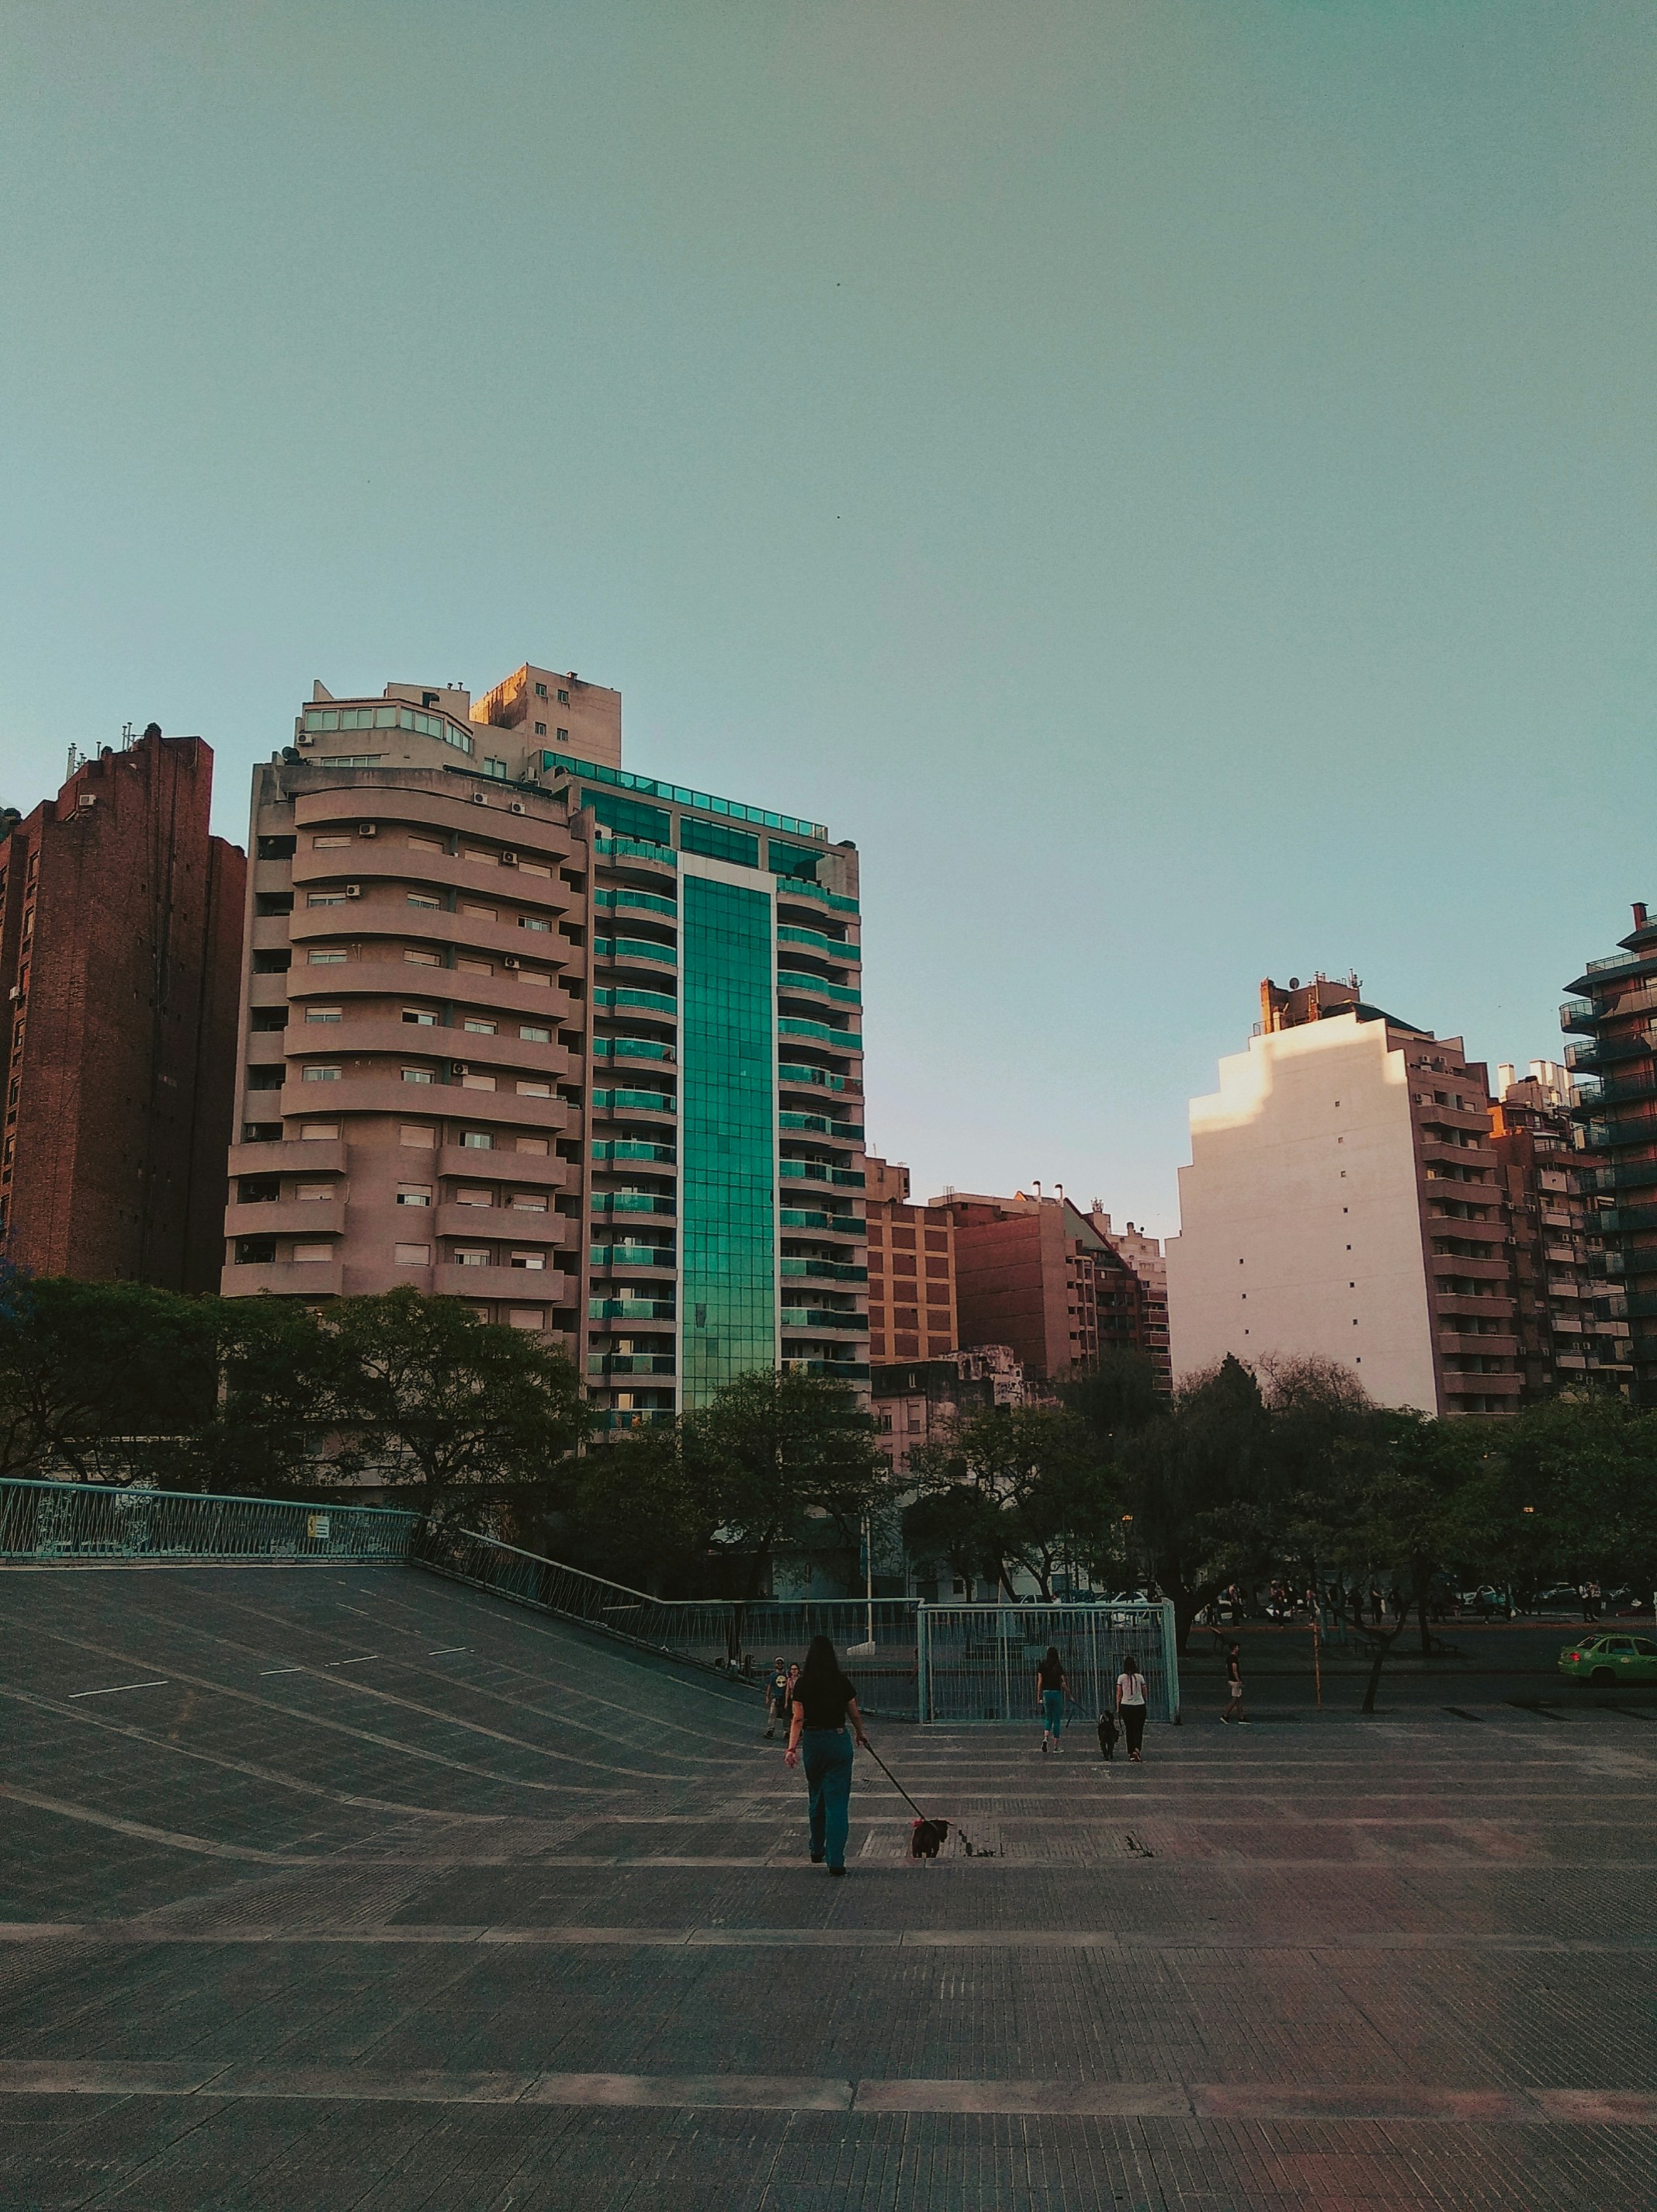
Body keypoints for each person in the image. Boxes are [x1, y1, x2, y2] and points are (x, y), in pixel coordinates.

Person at [784, 1633, 869, 1875]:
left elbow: (798, 1718)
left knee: (816, 1795)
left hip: (813, 1741)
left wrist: (791, 1748)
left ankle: (816, 1848)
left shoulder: (802, 1683)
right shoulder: (841, 1681)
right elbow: (854, 1713)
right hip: (838, 1740)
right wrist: (860, 1734)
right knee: (838, 1803)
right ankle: (836, 1860)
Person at [1116, 1652, 1149, 1762]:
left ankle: (1131, 1752)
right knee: (1138, 1729)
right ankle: (1137, 1749)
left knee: (1129, 1729)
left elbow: (1119, 1694)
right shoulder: (1140, 1677)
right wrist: (1144, 1699)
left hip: (1126, 1706)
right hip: (1139, 1705)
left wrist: (1118, 1707)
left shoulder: (1121, 1678)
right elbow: (1145, 1691)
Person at [1035, 1645, 1068, 1755]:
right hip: (1057, 1694)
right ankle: (1056, 1746)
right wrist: (1070, 1695)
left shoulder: (1042, 1666)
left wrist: (1039, 1696)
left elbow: (1040, 1682)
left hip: (1046, 1694)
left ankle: (1045, 1738)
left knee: (1048, 1718)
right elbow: (1063, 1684)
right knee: (1057, 1720)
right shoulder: (1058, 1667)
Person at [762, 1656, 791, 1739]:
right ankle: (770, 1730)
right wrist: (768, 1697)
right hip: (776, 1697)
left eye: (781, 1663)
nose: (780, 1665)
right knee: (772, 1714)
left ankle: (787, 1732)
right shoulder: (773, 1675)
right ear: (775, 1664)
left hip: (785, 1698)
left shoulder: (787, 1674)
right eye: (778, 1663)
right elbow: (770, 1686)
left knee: (786, 1716)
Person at [1222, 1642, 1247, 1725]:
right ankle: (1226, 1715)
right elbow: (1234, 1669)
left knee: (1239, 1699)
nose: (1238, 1649)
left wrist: (1228, 1677)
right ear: (1234, 1648)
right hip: (1235, 1681)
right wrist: (1238, 1680)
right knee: (1235, 1699)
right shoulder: (1234, 1658)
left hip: (1231, 1680)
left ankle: (1241, 1717)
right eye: (1237, 1647)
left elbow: (1227, 1668)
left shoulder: (1229, 1657)